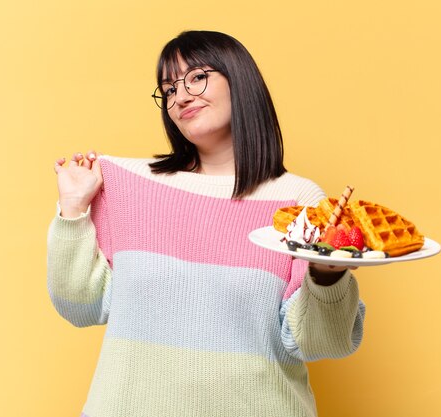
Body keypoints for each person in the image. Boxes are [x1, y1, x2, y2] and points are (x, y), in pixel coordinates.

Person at [48, 30, 365, 417]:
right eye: (167, 90)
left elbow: (321, 342)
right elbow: (79, 307)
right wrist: (73, 207)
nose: (179, 97)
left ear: (239, 81)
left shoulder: (299, 201)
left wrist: (329, 276)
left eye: (196, 77)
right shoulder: (130, 186)